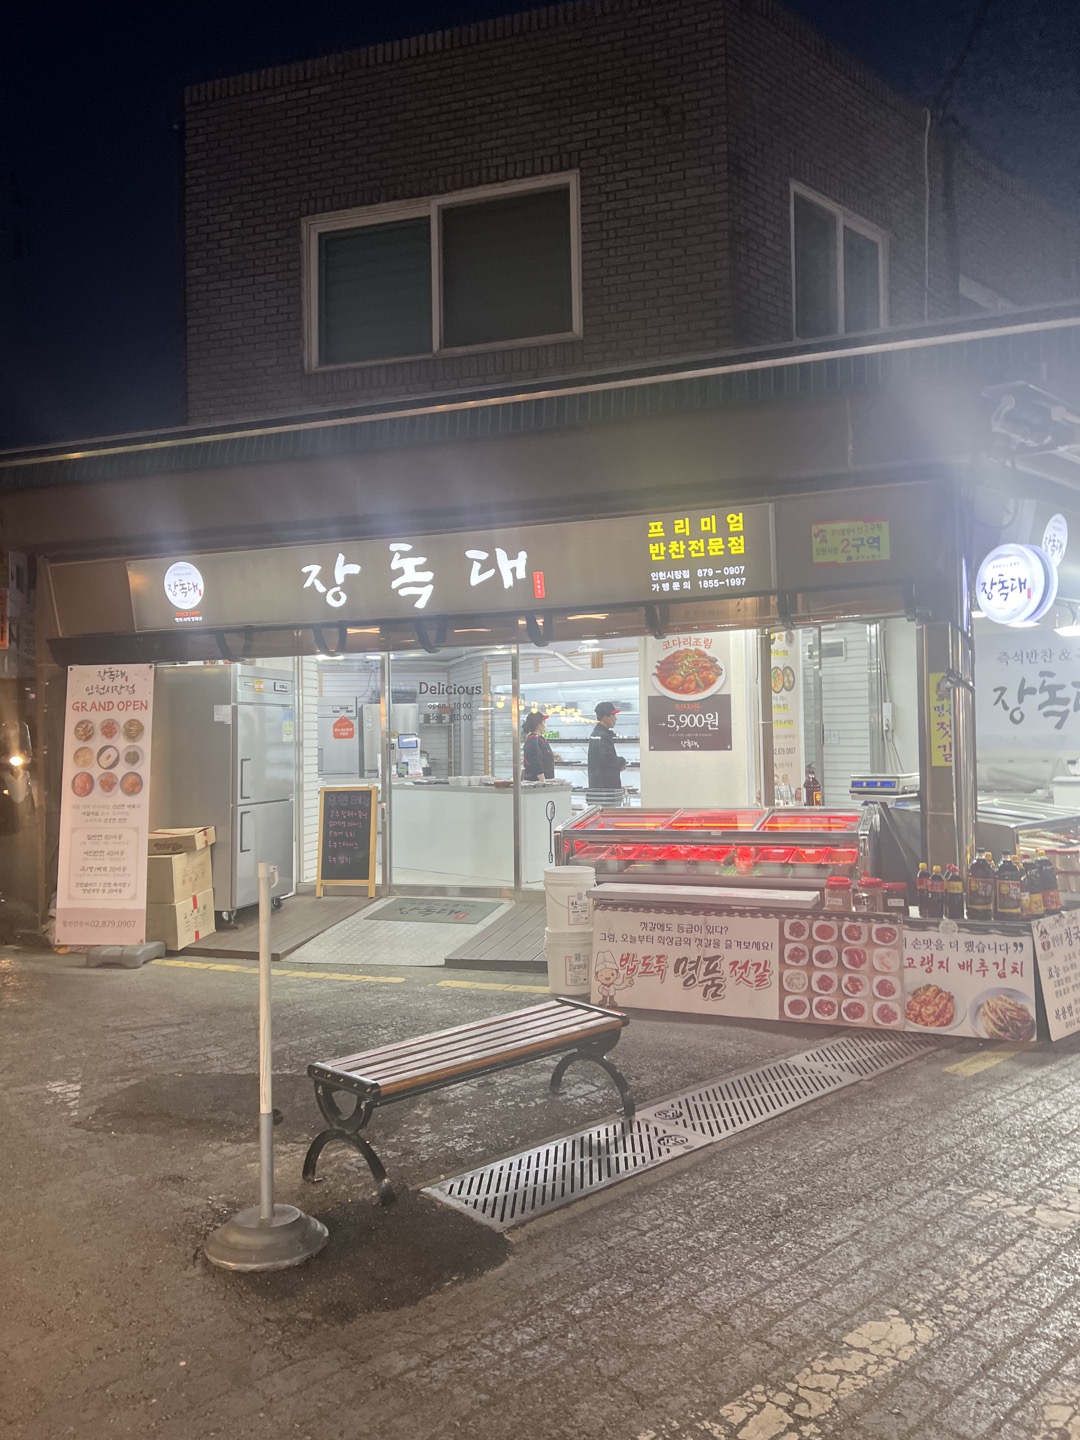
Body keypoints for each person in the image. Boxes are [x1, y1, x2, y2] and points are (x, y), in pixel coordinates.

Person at [586, 701, 626, 806]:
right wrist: (622, 761)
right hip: (606, 791)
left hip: (598, 788)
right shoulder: (603, 735)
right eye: (613, 715)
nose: (615, 719)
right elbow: (609, 759)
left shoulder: (596, 734)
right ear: (605, 718)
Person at [521, 710, 555, 781]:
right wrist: (543, 781)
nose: (545, 724)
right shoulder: (533, 740)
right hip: (537, 782)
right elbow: (535, 761)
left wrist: (552, 755)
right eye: (544, 722)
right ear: (539, 725)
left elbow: (541, 753)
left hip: (544, 780)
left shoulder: (539, 738)